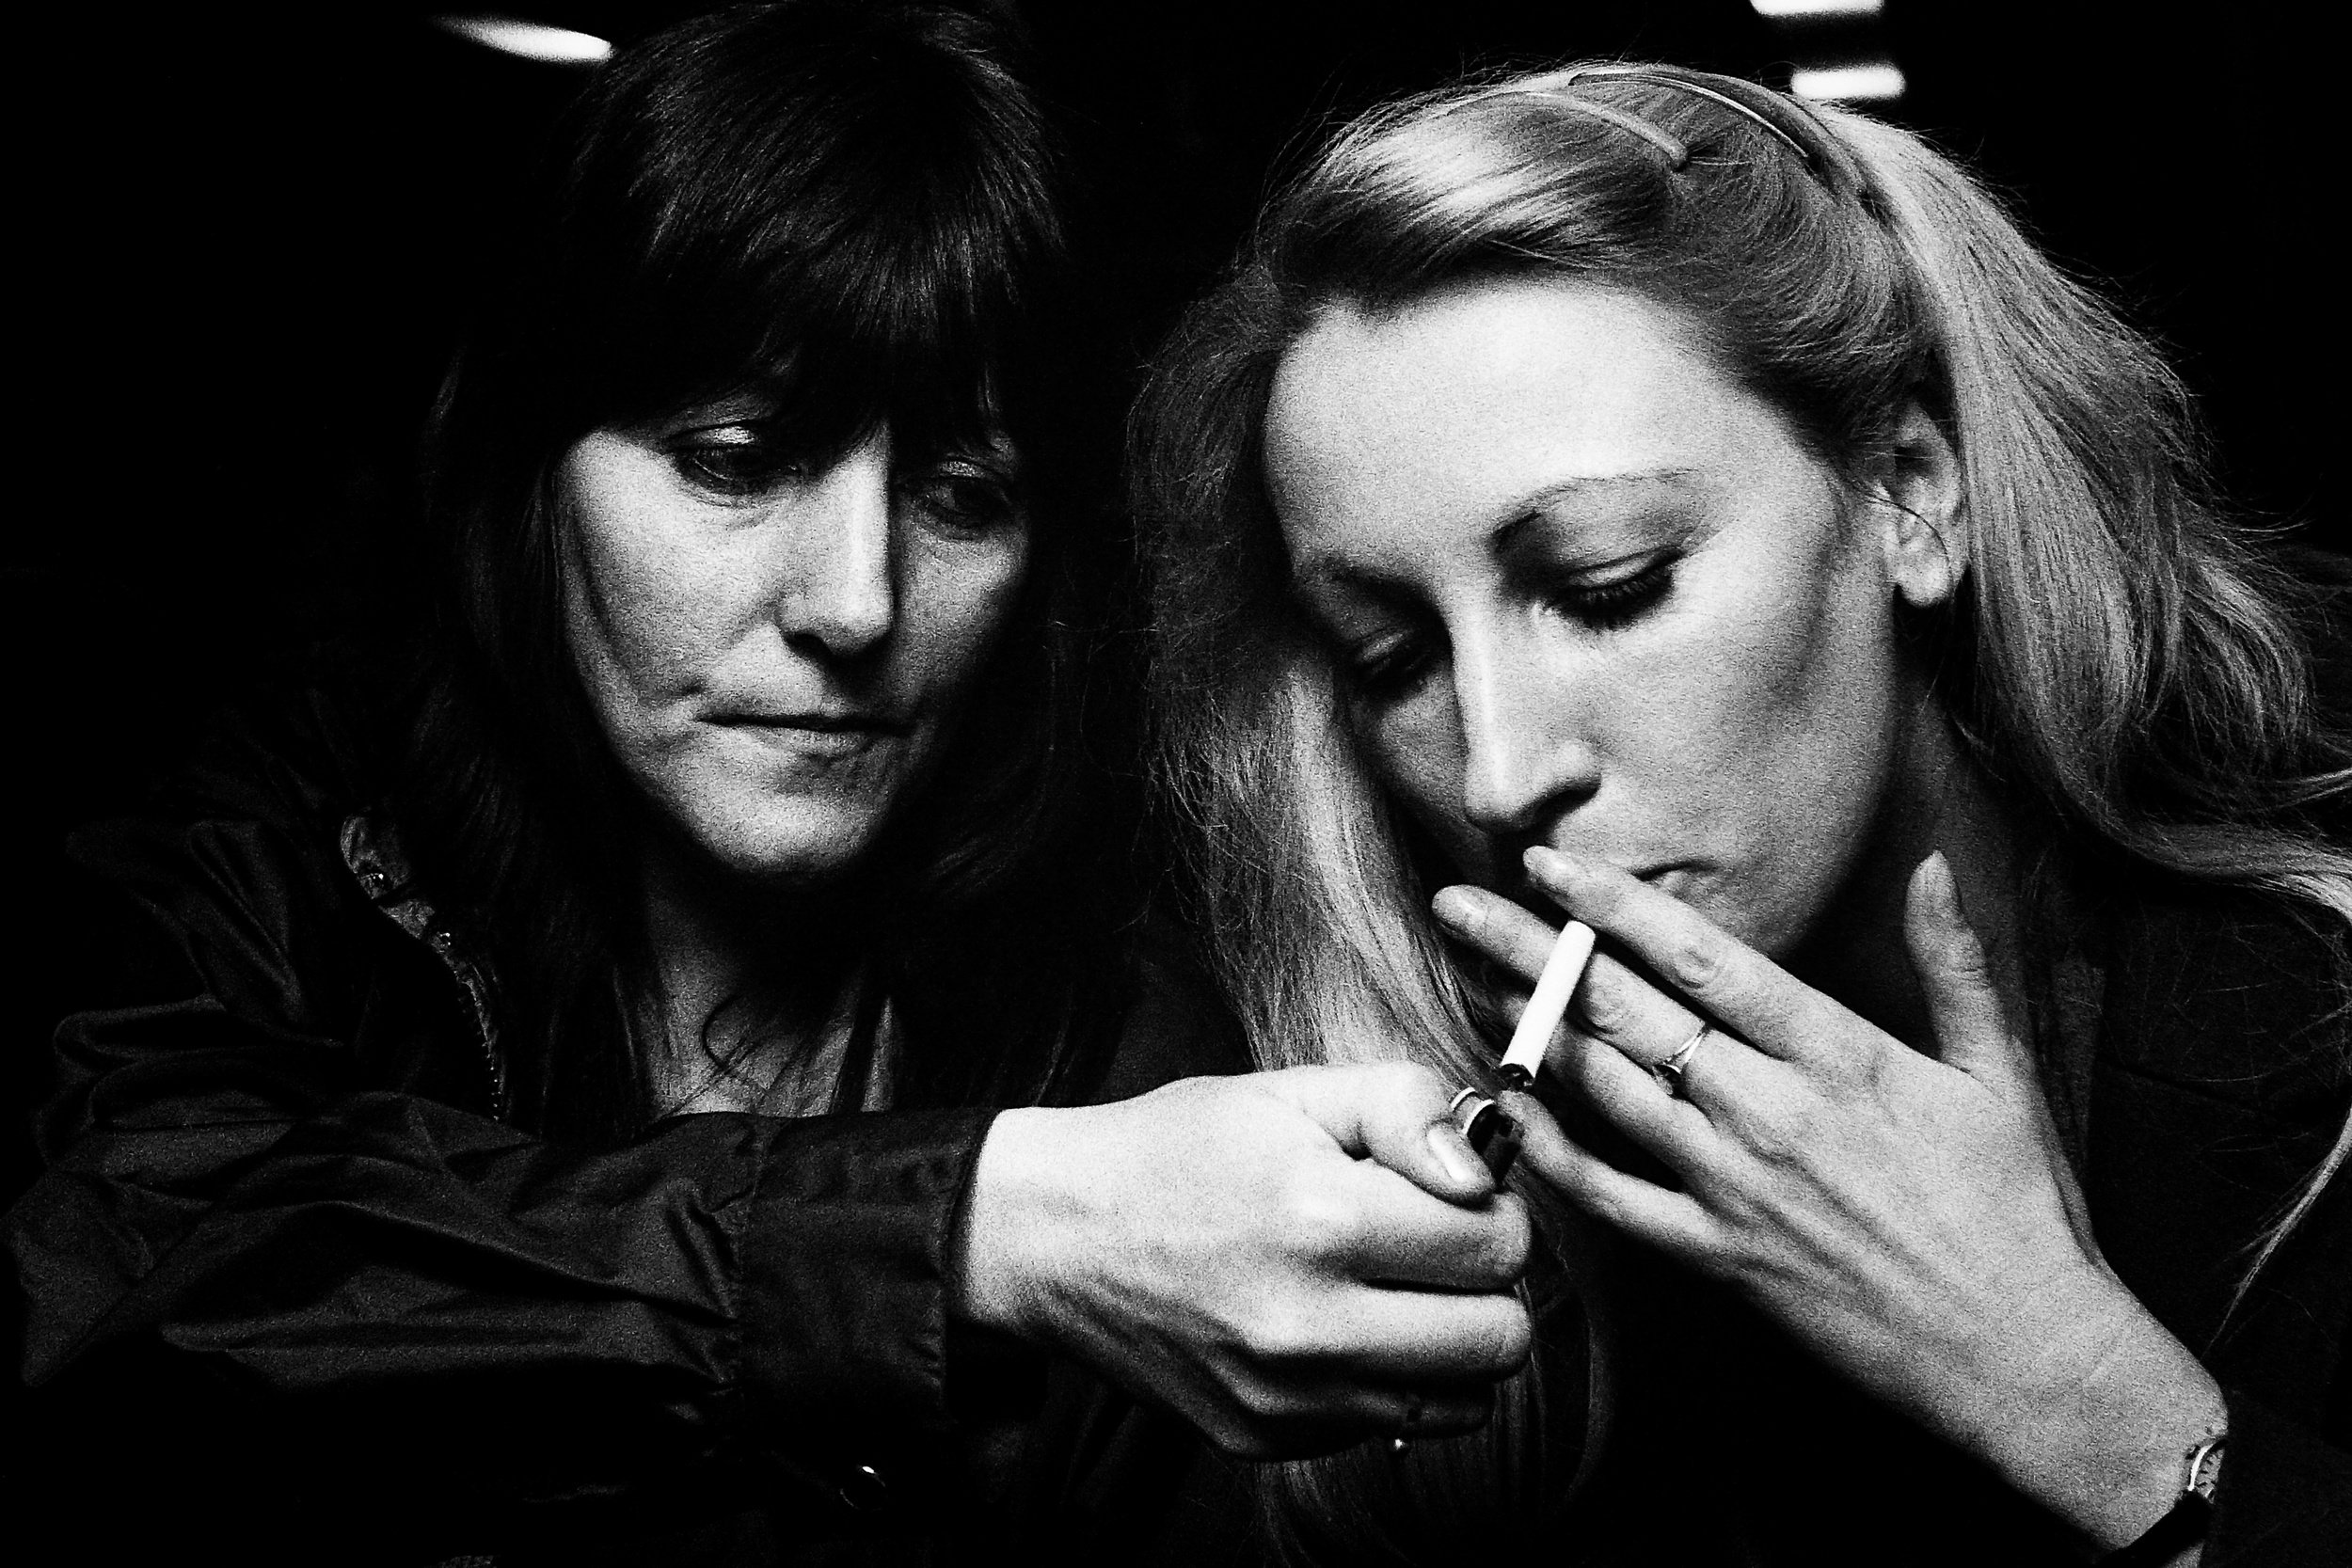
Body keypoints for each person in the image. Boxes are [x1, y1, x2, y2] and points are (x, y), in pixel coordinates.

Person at [2, 7, 1535, 1562]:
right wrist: (979, 1232)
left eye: (962, 495)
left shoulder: (1134, 1023)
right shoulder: (285, 850)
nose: (856, 605)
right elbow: (121, 1293)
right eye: (736, 462)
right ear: (526, 475)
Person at [1133, 63, 2351, 1564]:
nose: (1501, 774)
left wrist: (2070, 1387)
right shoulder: (1445, 1242)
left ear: (1908, 494)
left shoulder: (2306, 1047)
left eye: (1611, 588)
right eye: (1393, 659)